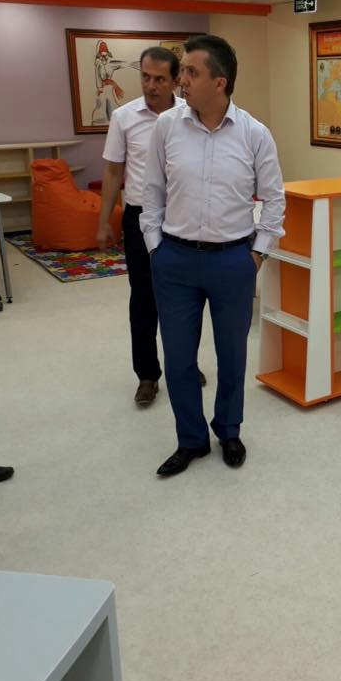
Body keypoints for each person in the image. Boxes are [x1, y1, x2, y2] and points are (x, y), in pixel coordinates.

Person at [141, 34, 285, 477]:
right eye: (182, 71)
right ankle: (191, 439)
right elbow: (152, 191)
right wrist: (155, 247)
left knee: (232, 355)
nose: (180, 80)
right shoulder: (167, 127)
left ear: (219, 82)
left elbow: (274, 200)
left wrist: (256, 256)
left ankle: (228, 429)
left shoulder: (255, 133)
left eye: (191, 72)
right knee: (178, 358)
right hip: (175, 260)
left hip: (232, 262)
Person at [97, 46, 205, 407]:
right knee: (143, 298)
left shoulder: (192, 114)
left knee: (187, 299)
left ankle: (186, 365)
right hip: (140, 217)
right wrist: (104, 221)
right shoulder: (125, 117)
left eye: (159, 79)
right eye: (145, 77)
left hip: (182, 218)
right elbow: (113, 170)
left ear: (176, 80)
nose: (150, 85)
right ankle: (147, 375)